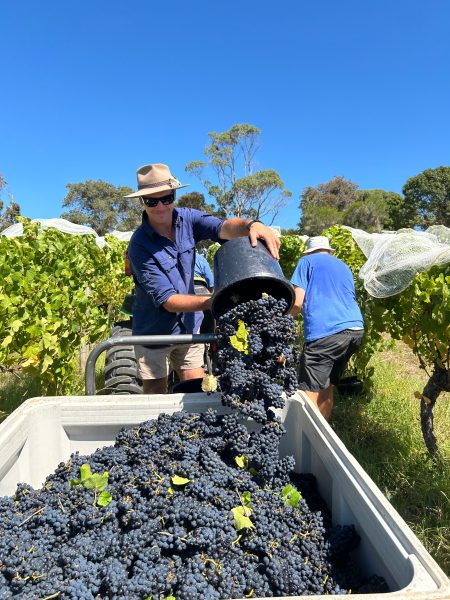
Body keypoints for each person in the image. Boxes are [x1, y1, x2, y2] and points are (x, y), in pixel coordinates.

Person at [125, 163, 280, 394]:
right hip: (153, 333)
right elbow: (167, 300)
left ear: (173, 195)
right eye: (152, 201)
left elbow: (224, 228)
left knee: (196, 391)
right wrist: (214, 301)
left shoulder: (188, 219)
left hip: (189, 326)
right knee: (156, 393)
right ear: (142, 202)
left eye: (166, 198)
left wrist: (252, 225)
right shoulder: (139, 246)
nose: (161, 206)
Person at [289, 236, 364, 420]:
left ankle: (305, 443)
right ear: (329, 251)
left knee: (308, 393)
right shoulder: (343, 266)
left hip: (326, 333)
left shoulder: (306, 262)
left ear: (309, 251)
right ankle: (324, 434)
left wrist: (281, 323)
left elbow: (297, 302)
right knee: (326, 384)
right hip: (355, 330)